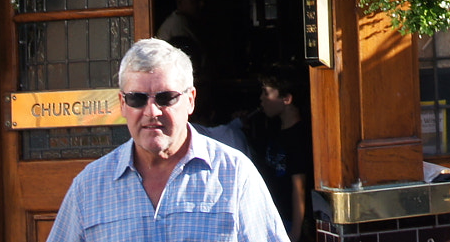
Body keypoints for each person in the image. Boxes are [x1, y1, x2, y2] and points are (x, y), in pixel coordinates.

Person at [47, 38, 287, 242]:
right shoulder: (89, 187)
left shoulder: (234, 175)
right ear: (122, 104)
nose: (152, 111)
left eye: (166, 97)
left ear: (190, 99)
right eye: (137, 99)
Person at [248, 67, 314, 240]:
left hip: (289, 220)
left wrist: (295, 232)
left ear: (286, 98)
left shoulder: (298, 137)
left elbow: (298, 187)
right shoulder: (275, 130)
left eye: (266, 93)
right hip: (275, 216)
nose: (261, 99)